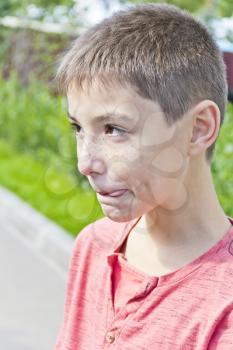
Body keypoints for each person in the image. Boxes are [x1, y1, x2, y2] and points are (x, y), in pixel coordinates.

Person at [54, 3, 233, 349]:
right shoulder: (94, 244)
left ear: (198, 129)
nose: (85, 163)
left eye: (114, 129)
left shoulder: (223, 307)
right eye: (78, 127)